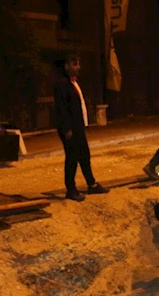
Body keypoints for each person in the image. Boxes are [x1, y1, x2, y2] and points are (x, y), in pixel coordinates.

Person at [54, 54, 109, 202]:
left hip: (78, 127)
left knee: (84, 155)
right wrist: (67, 129)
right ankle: (70, 189)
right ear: (66, 66)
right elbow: (62, 108)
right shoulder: (62, 84)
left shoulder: (73, 83)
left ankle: (91, 183)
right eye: (75, 64)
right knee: (72, 158)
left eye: (78, 64)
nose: (78, 67)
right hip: (70, 129)